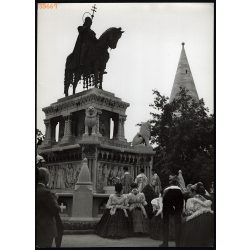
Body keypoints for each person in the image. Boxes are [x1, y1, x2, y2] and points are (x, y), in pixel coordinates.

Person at [180, 182, 214, 247]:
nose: (189, 194)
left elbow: (190, 211)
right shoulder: (208, 198)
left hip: (197, 220)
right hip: (210, 218)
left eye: (190, 192)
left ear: (194, 192)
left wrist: (186, 215)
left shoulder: (191, 200)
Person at [36, 168, 63, 248]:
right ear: (46, 178)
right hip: (45, 230)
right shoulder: (46, 192)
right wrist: (55, 198)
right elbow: (55, 210)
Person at [160, 173, 184, 247]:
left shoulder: (166, 189)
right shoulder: (180, 190)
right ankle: (178, 244)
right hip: (178, 208)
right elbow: (182, 202)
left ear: (170, 182)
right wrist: (179, 210)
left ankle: (165, 243)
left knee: (165, 224)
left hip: (167, 208)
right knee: (178, 224)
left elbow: (163, 200)